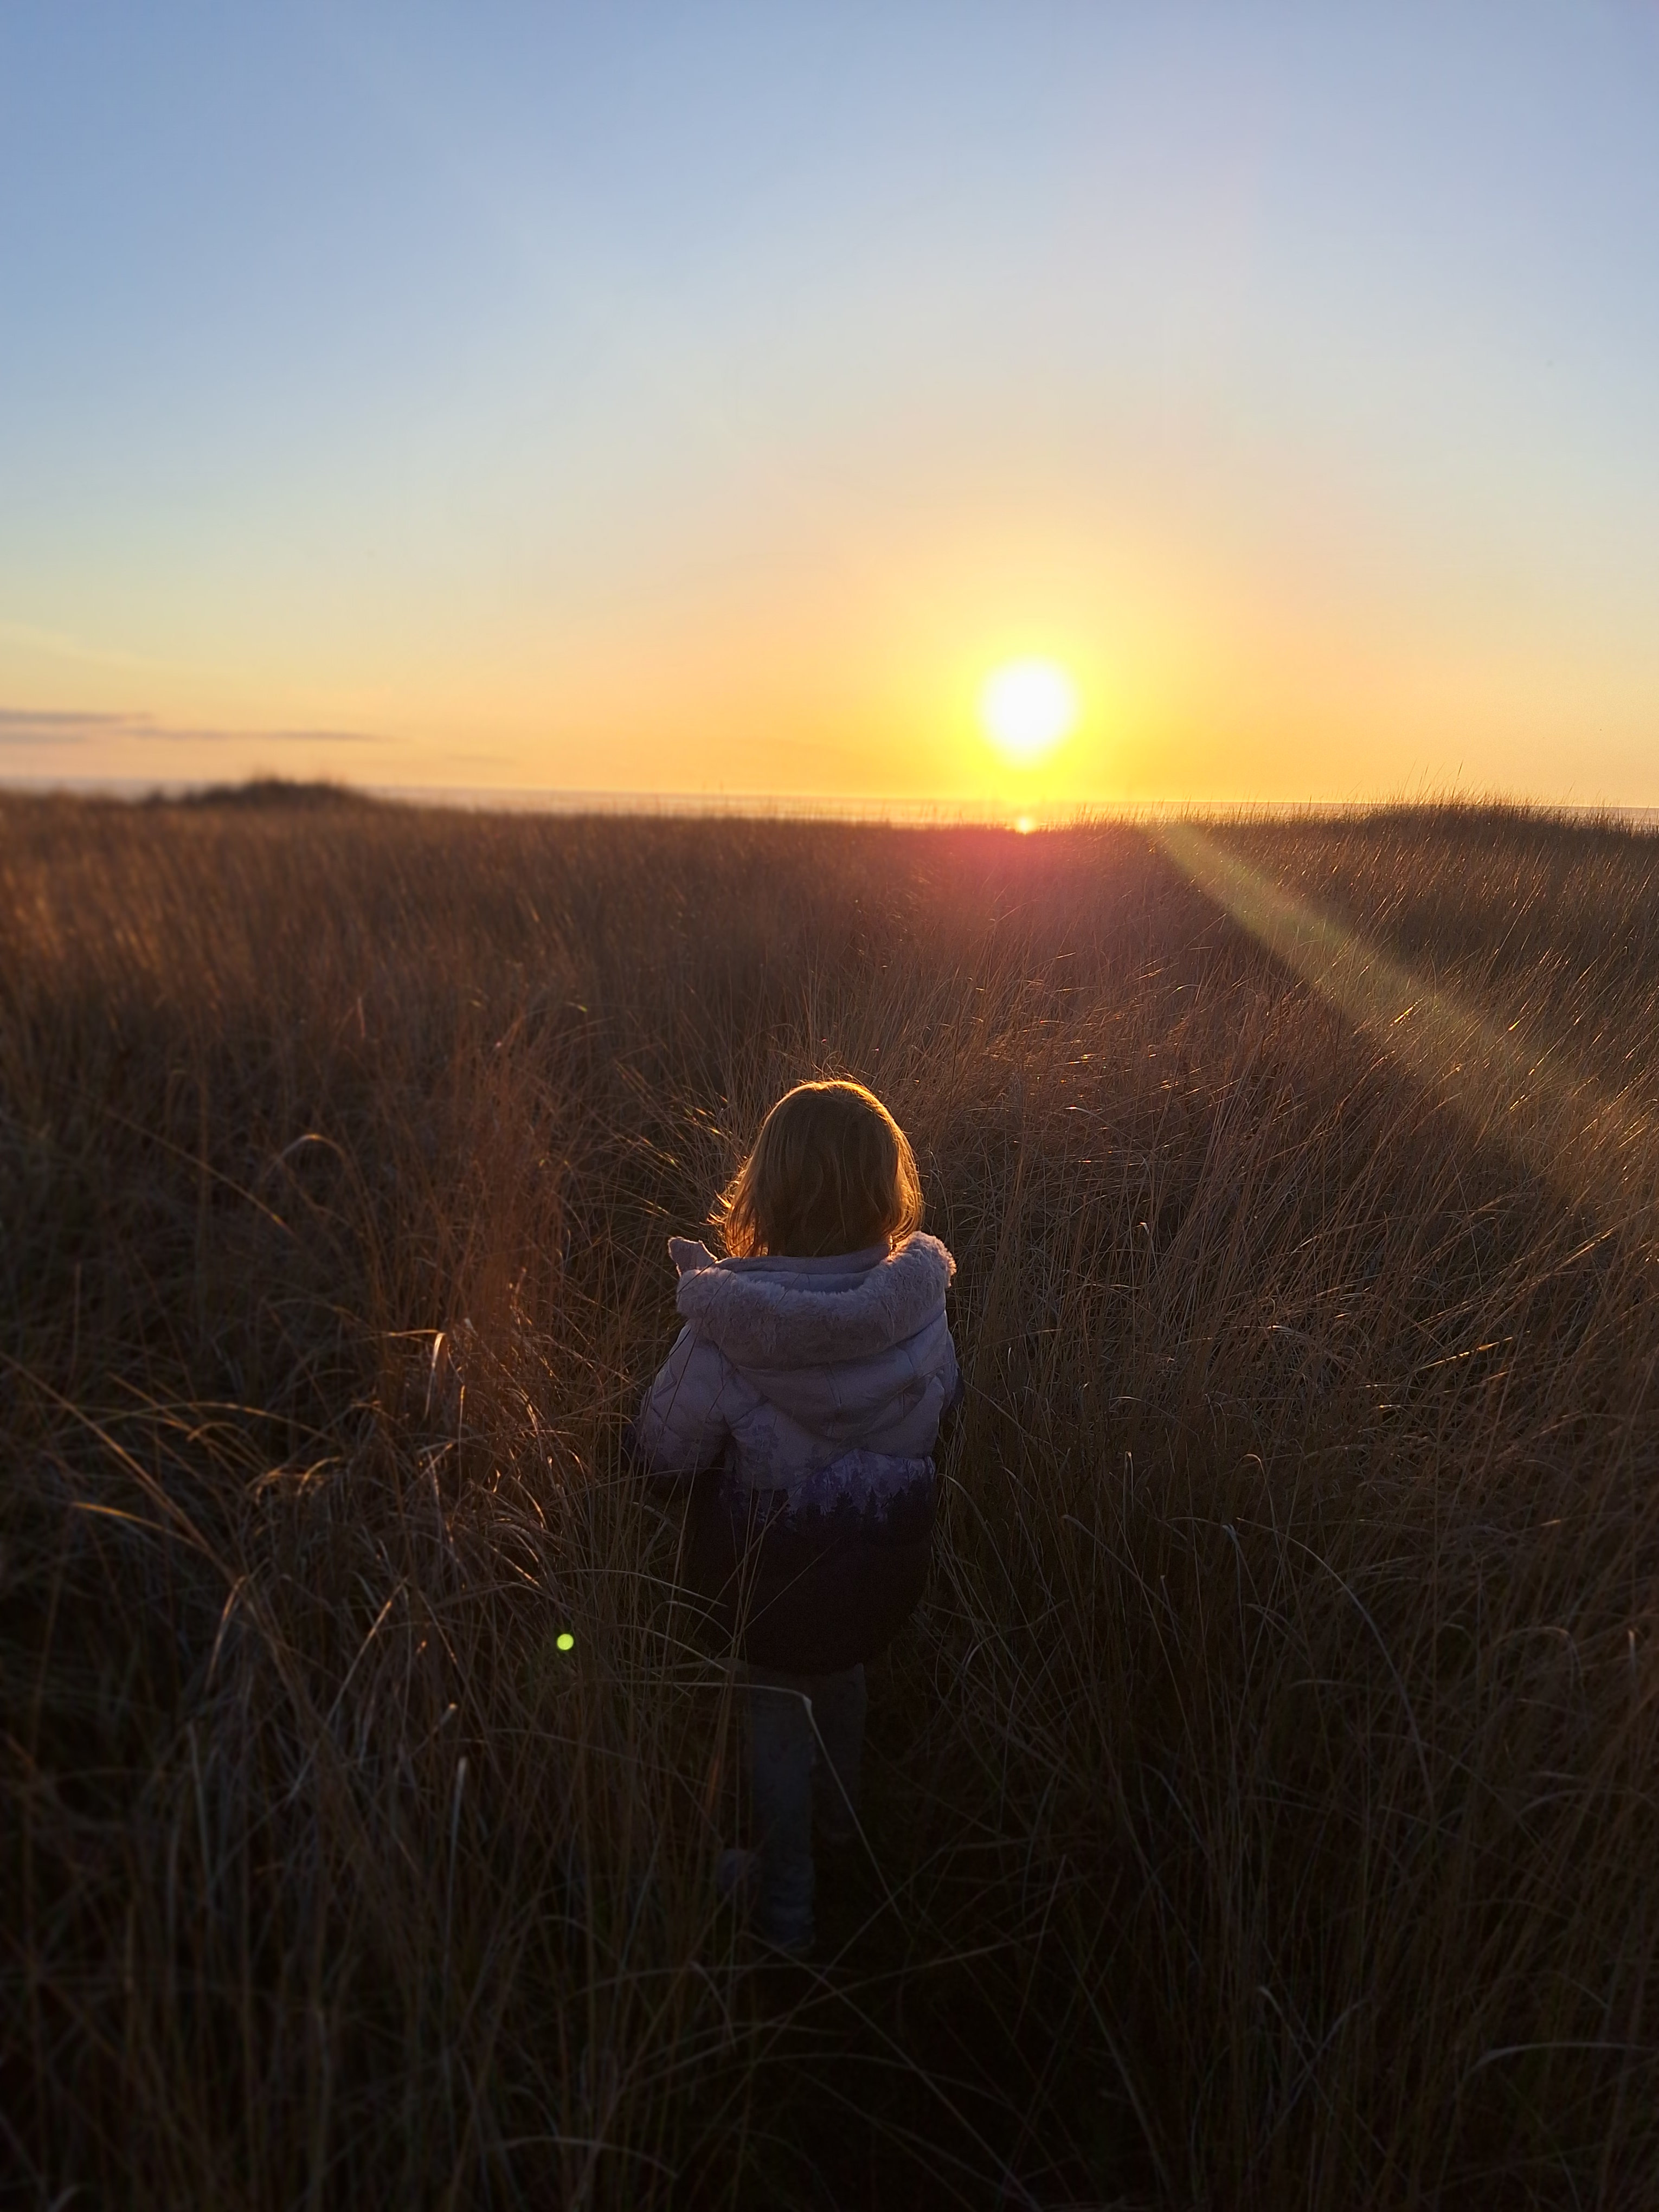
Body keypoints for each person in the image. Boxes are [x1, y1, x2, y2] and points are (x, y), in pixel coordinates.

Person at [632, 1078, 961, 1954]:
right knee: (844, 1678)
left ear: (765, 1192)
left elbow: (665, 1455)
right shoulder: (919, 1309)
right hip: (885, 1579)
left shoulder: (725, 1326)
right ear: (886, 1191)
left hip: (770, 1590)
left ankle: (787, 1911)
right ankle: (842, 1832)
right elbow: (946, 1409)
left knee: (778, 1716)